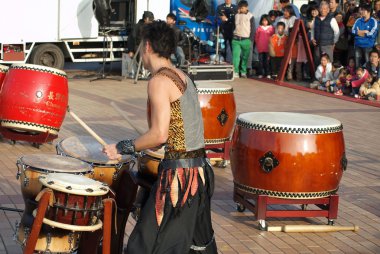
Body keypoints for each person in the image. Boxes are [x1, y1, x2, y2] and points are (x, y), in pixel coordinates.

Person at [103, 21, 217, 254]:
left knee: (146, 246)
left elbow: (159, 134)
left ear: (147, 46)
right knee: (196, 248)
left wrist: (123, 147)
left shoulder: (159, 81)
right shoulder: (183, 76)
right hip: (199, 173)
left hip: (179, 180)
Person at [311, 1, 340, 65]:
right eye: (321, 8)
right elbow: (312, 29)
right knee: (317, 63)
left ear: (328, 10)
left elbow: (337, 32)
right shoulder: (316, 19)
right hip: (317, 45)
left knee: (328, 63)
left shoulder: (332, 19)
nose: (322, 10)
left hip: (328, 45)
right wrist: (312, 38)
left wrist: (334, 42)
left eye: (324, 9)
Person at [232, 0, 255, 78]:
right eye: (240, 8)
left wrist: (250, 40)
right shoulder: (236, 15)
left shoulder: (250, 16)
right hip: (236, 39)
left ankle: (243, 72)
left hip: (246, 39)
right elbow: (233, 26)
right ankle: (235, 72)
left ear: (246, 7)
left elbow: (253, 29)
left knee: (245, 57)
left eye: (242, 8)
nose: (241, 9)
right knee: (236, 57)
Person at [255, 14, 275, 78]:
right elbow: (256, 37)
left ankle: (268, 73)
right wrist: (257, 44)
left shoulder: (271, 28)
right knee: (260, 61)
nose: (264, 22)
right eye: (263, 21)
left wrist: (272, 46)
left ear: (268, 21)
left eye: (266, 21)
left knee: (267, 61)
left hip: (268, 48)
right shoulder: (259, 28)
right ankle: (260, 73)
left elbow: (273, 38)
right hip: (260, 47)